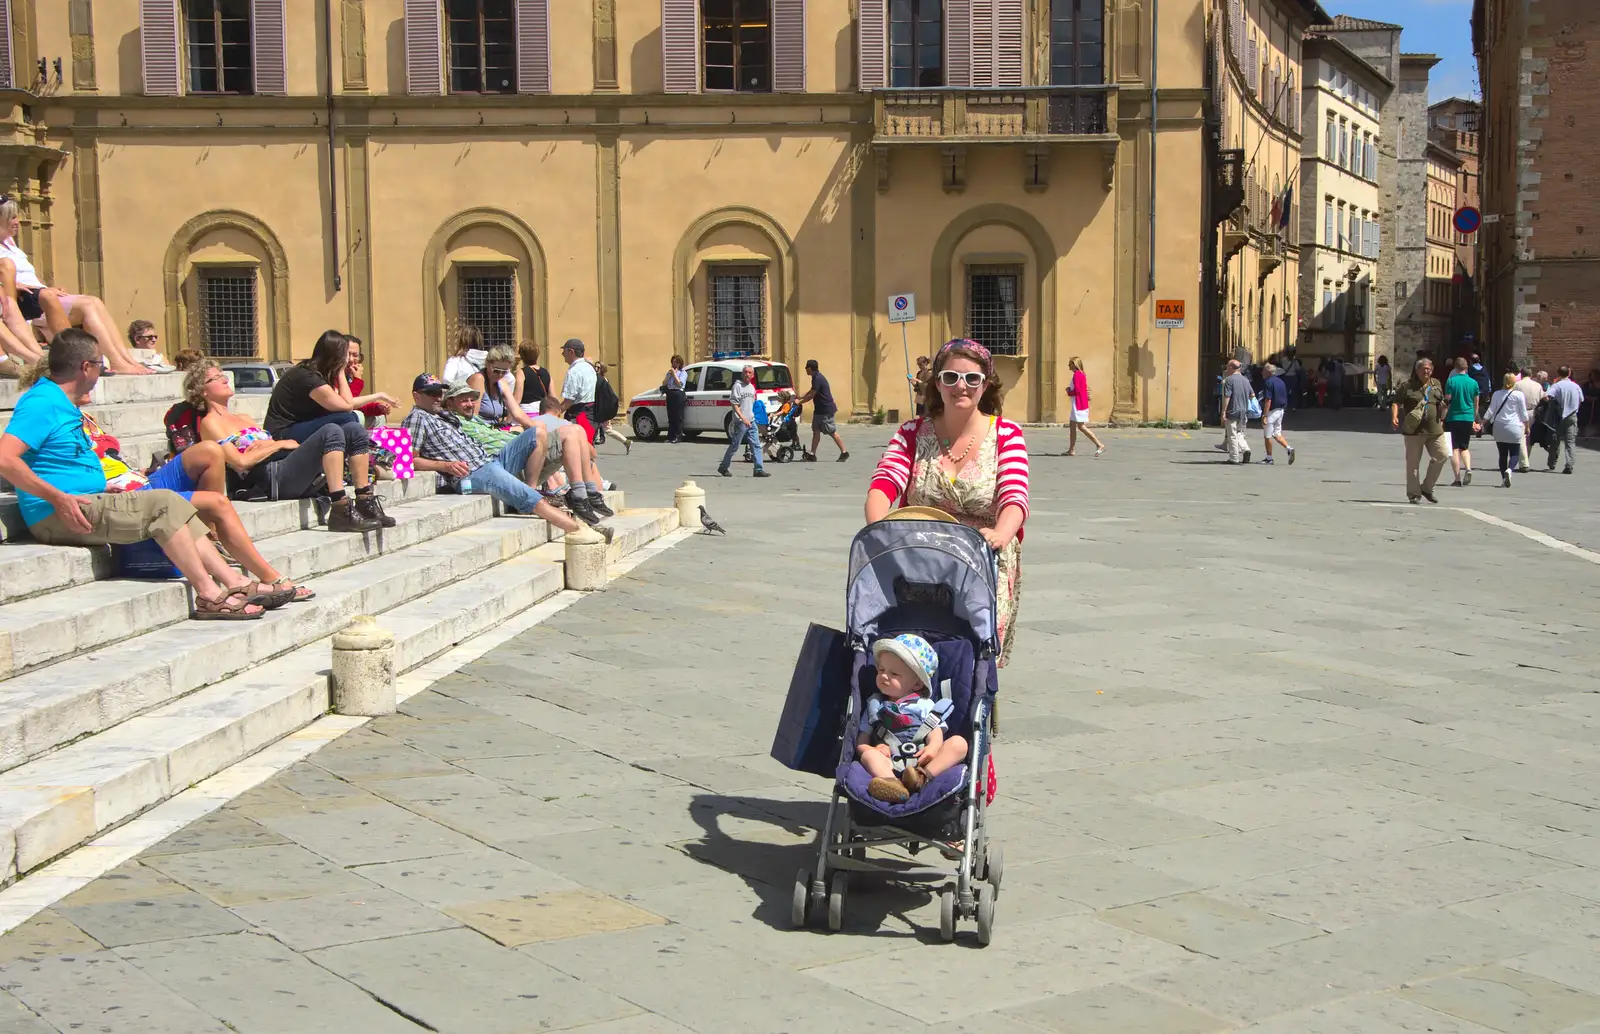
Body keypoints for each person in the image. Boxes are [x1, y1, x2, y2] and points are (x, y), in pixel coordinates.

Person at [0, 332, 266, 618]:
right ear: (86, 367)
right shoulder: (42, 402)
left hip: (87, 501)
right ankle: (210, 595)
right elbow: (4, 459)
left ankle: (233, 582)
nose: (101, 373)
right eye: (100, 365)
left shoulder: (61, 402)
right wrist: (59, 498)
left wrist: (100, 487)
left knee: (173, 503)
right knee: (164, 503)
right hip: (57, 512)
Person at [866, 339, 1028, 668]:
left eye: (972, 378)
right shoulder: (911, 433)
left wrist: (1001, 533)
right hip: (915, 559)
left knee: (971, 658)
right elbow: (884, 484)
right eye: (951, 377)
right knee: (905, 653)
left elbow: (1014, 496)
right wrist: (879, 529)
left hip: (983, 558)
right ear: (937, 383)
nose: (961, 386)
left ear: (986, 384)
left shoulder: (1007, 435)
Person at [402, 373, 613, 535]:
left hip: (490, 460)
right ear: (416, 396)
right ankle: (584, 531)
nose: (438, 397)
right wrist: (445, 467)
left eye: (440, 392)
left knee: (536, 433)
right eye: (432, 393)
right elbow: (409, 459)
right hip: (475, 472)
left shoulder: (441, 416)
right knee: (533, 500)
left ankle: (579, 494)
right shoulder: (417, 418)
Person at [192, 359, 386, 531]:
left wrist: (268, 447)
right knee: (331, 431)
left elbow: (266, 447)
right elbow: (240, 462)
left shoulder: (243, 417)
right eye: (215, 378)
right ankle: (340, 507)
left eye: (221, 375)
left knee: (353, 428)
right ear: (203, 391)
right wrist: (278, 445)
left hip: (283, 464)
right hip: (269, 478)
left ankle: (364, 500)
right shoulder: (210, 423)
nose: (225, 379)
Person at [0, 199, 161, 376]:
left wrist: (47, 287)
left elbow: (29, 274)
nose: (18, 221)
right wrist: (17, 284)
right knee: (85, 305)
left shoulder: (10, 245)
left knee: (94, 301)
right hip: (28, 301)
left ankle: (125, 359)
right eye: (12, 217)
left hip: (40, 294)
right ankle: (112, 361)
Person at [854, 634, 967, 804]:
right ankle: (893, 784)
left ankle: (922, 777)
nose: (884, 676)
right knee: (868, 756)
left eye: (894, 674)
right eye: (881, 670)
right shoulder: (875, 706)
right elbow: (861, 742)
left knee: (959, 744)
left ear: (916, 684)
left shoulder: (924, 704)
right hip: (889, 762)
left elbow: (934, 731)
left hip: (923, 759)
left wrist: (933, 748)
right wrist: (873, 748)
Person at [1392, 357, 1448, 504]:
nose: (1426, 371)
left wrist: (1443, 415)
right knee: (1413, 464)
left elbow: (1440, 403)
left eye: (1429, 368)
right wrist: (1395, 416)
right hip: (1414, 431)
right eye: (1424, 369)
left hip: (1435, 429)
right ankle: (1414, 494)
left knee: (1442, 455)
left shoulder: (1436, 384)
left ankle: (1427, 488)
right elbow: (1396, 403)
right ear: (1417, 370)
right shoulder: (1407, 386)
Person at [718, 365, 770, 478]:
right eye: (745, 372)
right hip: (740, 422)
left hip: (751, 421)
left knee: (756, 445)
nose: (747, 374)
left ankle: (758, 469)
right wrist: (742, 418)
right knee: (735, 445)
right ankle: (723, 467)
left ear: (752, 375)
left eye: (750, 372)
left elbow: (752, 404)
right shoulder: (737, 386)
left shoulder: (751, 387)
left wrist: (754, 417)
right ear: (742, 373)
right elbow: (735, 405)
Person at [1483, 372, 1531, 488]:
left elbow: (1490, 411)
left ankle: (1504, 479)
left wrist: (1482, 423)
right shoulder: (1519, 395)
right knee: (1515, 453)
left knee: (1502, 454)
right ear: (1514, 382)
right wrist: (1527, 427)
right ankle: (1510, 470)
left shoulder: (1497, 394)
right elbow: (1524, 414)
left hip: (1499, 426)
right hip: (1514, 427)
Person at [796, 359, 847, 462]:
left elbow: (812, 395)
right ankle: (812, 454)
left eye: (806, 368)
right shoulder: (815, 378)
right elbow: (811, 391)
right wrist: (801, 397)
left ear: (810, 368)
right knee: (816, 431)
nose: (806, 370)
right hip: (819, 410)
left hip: (826, 409)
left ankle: (844, 452)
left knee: (831, 431)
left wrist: (800, 403)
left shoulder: (818, 378)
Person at [477, 344, 537, 429]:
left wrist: (536, 428)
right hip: (483, 432)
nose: (500, 375)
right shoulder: (479, 379)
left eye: (504, 372)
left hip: (497, 429)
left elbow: (517, 413)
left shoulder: (502, 383)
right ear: (487, 364)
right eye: (496, 371)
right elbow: (473, 419)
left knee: (537, 427)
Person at [1443, 357, 1481, 487]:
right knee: (1464, 447)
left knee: (1454, 448)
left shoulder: (1451, 382)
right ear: (1466, 368)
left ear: (1455, 368)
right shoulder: (1474, 383)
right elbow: (1476, 403)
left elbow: (1447, 401)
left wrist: (1442, 416)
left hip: (1453, 417)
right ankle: (1468, 468)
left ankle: (1457, 478)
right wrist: (1474, 418)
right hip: (1467, 417)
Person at [1064, 356, 1105, 457]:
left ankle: (1099, 444)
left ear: (1074, 364)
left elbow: (1077, 390)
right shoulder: (1081, 374)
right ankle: (1071, 449)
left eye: (1070, 363)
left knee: (1081, 426)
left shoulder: (1077, 375)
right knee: (1072, 425)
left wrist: (1069, 391)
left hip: (1078, 404)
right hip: (1079, 403)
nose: (1068, 365)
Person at [1545, 365, 1583, 474]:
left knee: (1555, 440)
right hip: (1572, 416)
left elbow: (1547, 397)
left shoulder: (1557, 386)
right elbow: (1581, 400)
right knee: (1570, 441)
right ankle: (1569, 464)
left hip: (1558, 415)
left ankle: (1552, 462)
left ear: (1558, 374)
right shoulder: (1575, 386)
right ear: (1569, 373)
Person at [558, 338, 598, 433]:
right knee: (587, 444)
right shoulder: (590, 367)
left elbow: (568, 401)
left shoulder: (573, 372)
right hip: (592, 414)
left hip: (579, 416)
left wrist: (556, 413)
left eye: (564, 351)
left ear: (571, 352)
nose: (562, 354)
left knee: (576, 445)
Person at [1259, 362, 1295, 465]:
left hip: (1272, 411)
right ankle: (1289, 448)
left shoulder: (1268, 382)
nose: (1262, 372)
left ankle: (1269, 458)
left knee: (1267, 435)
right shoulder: (1281, 382)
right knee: (1277, 433)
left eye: (1263, 371)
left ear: (1268, 372)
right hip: (1281, 410)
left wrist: (1265, 415)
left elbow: (1268, 400)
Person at [591, 361, 629, 453]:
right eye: (595, 367)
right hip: (598, 409)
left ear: (603, 369)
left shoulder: (603, 380)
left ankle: (626, 441)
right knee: (594, 429)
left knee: (607, 429)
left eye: (598, 368)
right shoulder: (596, 378)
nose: (596, 369)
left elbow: (607, 396)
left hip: (603, 410)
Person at [1220, 359, 1253, 464]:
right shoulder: (1245, 380)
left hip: (1233, 409)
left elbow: (1227, 396)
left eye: (1227, 366)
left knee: (1232, 434)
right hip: (1243, 410)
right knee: (1239, 432)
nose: (1226, 369)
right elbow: (1252, 394)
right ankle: (1245, 448)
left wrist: (1224, 411)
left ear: (1231, 367)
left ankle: (1234, 457)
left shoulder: (1229, 380)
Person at [1514, 367, 1545, 473]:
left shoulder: (1517, 385)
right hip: (1533, 412)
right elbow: (1544, 397)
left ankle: (1524, 463)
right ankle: (1526, 458)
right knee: (1529, 436)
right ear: (1531, 375)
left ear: (1521, 375)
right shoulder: (1537, 385)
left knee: (1522, 437)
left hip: (1520, 413)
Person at [513, 340, 553, 413]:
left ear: (522, 356)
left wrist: (509, 419)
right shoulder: (546, 372)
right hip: (543, 412)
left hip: (527, 412)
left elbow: (517, 399)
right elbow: (553, 397)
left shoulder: (521, 373)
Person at [662, 354, 689, 442]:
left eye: (675, 362)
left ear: (679, 363)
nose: (674, 364)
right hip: (670, 394)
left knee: (678, 416)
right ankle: (670, 436)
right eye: (673, 362)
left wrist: (674, 375)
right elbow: (664, 383)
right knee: (671, 416)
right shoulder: (669, 373)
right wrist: (668, 376)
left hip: (678, 394)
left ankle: (678, 436)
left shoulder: (683, 373)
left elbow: (679, 384)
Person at [1582, 368, 1600, 438]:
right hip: (1589, 405)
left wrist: (1597, 399)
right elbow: (1584, 393)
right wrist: (1587, 398)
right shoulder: (1587, 384)